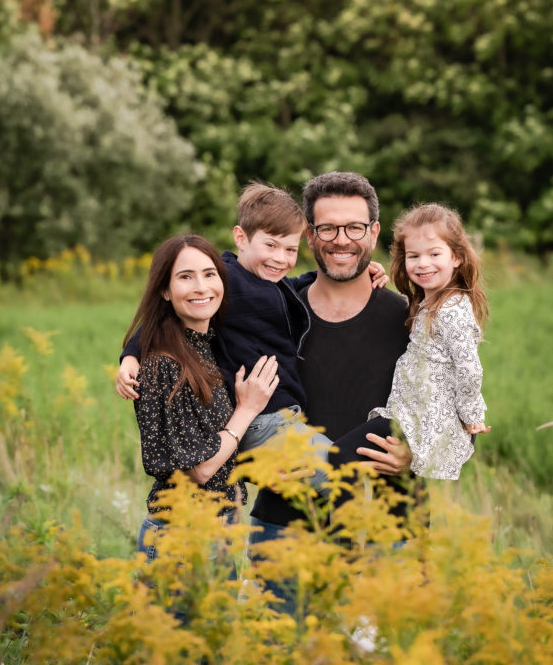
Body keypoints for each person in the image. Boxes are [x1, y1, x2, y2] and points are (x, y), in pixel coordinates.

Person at [117, 182, 388, 487]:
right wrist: (130, 356)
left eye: (290, 249)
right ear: (241, 238)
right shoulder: (227, 279)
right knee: (345, 482)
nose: (281, 259)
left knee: (345, 472)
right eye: (270, 245)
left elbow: (295, 284)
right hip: (264, 422)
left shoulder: (272, 282)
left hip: (281, 420)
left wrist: (358, 270)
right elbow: (168, 315)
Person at [249, 171, 414, 545]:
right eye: (328, 229)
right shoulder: (272, 311)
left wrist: (417, 455)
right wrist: (255, 465)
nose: (342, 241)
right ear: (309, 235)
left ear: (374, 232)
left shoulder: (413, 321)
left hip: (390, 533)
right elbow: (218, 396)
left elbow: (462, 418)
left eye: (355, 228)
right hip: (285, 529)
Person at [127, 233, 279, 562]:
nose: (201, 287)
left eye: (210, 274)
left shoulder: (204, 347)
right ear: (165, 291)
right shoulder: (163, 366)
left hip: (216, 528)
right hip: (181, 534)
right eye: (186, 277)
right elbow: (202, 468)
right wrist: (247, 409)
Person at [369, 203, 490, 480]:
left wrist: (472, 416)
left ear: (457, 257)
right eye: (414, 256)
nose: (423, 263)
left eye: (434, 253)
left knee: (343, 463)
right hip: (407, 414)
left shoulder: (453, 309)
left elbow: (469, 369)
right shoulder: (428, 302)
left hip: (427, 421)